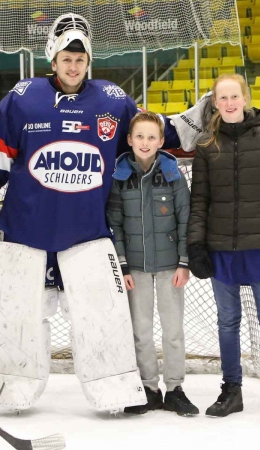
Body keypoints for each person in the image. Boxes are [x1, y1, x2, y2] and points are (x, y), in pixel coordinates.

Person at [0, 13, 181, 414]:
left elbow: (148, 134)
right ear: (53, 58)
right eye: (67, 58)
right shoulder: (22, 97)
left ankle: (114, 386)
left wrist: (193, 124)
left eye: (81, 59)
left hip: (88, 230)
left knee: (100, 315)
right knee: (21, 314)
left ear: (89, 62)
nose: (74, 66)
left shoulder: (113, 99)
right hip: (25, 229)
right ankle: (12, 384)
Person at [187, 73, 260, 417]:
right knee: (227, 322)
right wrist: (196, 245)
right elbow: (200, 200)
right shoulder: (207, 144)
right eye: (223, 98)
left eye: (235, 96)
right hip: (221, 249)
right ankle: (231, 389)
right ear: (215, 103)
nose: (230, 103)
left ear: (245, 97)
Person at [106, 111, 198, 416]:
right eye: (140, 137)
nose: (145, 142)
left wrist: (184, 262)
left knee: (172, 329)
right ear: (130, 140)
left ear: (161, 141)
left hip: (170, 264)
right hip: (136, 266)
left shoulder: (172, 172)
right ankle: (147, 387)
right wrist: (123, 265)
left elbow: (185, 217)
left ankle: (175, 388)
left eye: (152, 137)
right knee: (141, 329)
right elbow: (115, 223)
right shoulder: (120, 175)